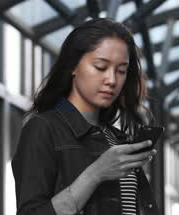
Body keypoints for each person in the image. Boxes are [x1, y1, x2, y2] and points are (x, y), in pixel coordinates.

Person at [12, 18, 160, 215]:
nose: (112, 80)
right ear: (73, 66)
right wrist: (96, 172)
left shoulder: (116, 139)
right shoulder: (43, 128)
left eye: (121, 71)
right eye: (100, 67)